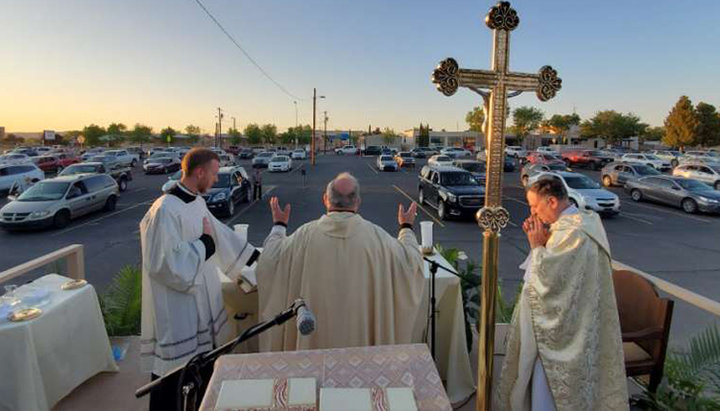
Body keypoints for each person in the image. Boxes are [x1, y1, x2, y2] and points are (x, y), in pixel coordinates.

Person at [139, 148, 259, 410]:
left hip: (202, 300)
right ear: (199, 172)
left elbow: (220, 235)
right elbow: (164, 265)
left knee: (201, 365)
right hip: (178, 307)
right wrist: (204, 245)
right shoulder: (165, 210)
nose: (216, 179)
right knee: (176, 372)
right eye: (214, 174)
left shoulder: (196, 201)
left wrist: (256, 258)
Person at [496, 177, 629, 411]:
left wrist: (537, 246)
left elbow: (548, 285)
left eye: (535, 206)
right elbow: (563, 272)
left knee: (547, 387)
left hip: (565, 333)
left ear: (552, 202)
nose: (533, 212)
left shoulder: (573, 233)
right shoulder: (586, 221)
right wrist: (545, 242)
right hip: (580, 319)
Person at [255, 172, 425, 351]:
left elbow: (269, 260)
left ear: (325, 200)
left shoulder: (304, 236)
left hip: (312, 349)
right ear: (358, 202)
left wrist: (279, 225)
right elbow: (410, 262)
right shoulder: (378, 238)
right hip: (363, 351)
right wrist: (406, 227)